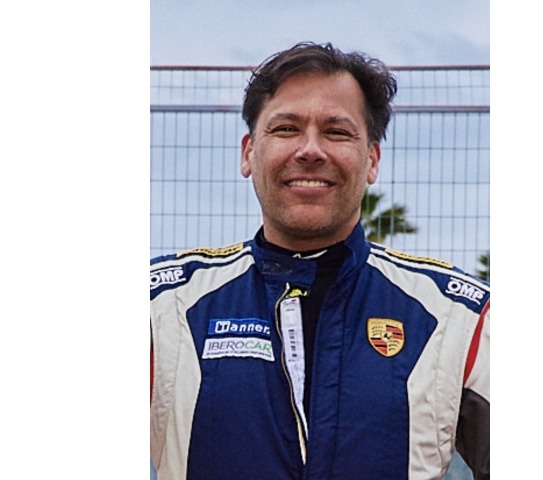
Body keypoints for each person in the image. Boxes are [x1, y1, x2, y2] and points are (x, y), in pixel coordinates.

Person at [150, 42, 489, 480]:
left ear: (372, 159)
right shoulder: (163, 305)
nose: (310, 150)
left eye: (336, 132)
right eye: (286, 129)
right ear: (248, 153)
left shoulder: (459, 317)